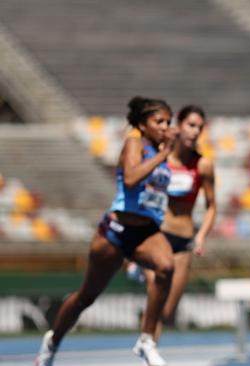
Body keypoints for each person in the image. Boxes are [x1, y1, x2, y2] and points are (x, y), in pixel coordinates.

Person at [36, 96, 179, 366]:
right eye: (158, 121)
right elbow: (132, 178)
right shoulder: (135, 144)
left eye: (168, 122)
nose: (164, 126)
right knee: (85, 297)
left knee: (166, 266)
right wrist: (163, 154)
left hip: (145, 231)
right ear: (142, 124)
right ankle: (52, 341)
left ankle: (146, 340)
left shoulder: (163, 152)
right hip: (116, 229)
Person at [139, 104, 217, 343]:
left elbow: (212, 206)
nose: (195, 132)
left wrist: (201, 236)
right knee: (156, 298)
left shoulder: (202, 165)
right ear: (179, 126)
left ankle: (148, 344)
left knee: (166, 312)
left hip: (183, 242)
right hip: (156, 236)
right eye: (191, 125)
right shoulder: (159, 157)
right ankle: (148, 353)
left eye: (199, 128)